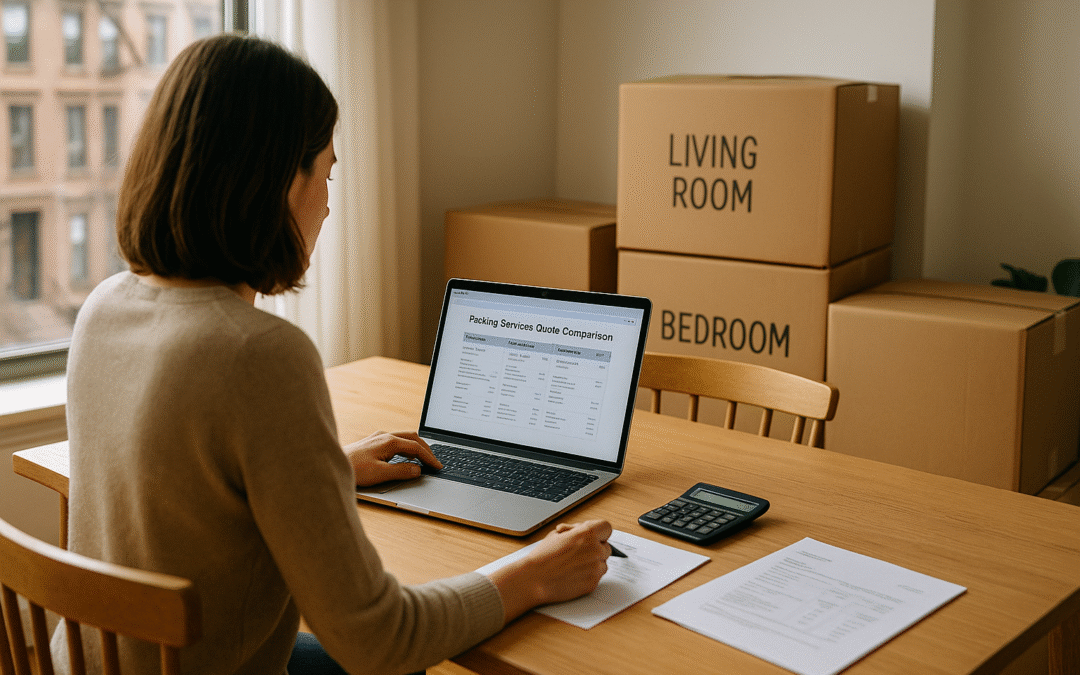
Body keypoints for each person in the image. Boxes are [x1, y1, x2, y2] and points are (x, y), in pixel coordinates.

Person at [56, 33, 613, 675]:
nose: (326, 201)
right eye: (326, 171)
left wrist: (329, 468)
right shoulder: (258, 355)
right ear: (276, 181)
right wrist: (535, 573)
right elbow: (380, 641)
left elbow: (185, 489)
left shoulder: (105, 307)